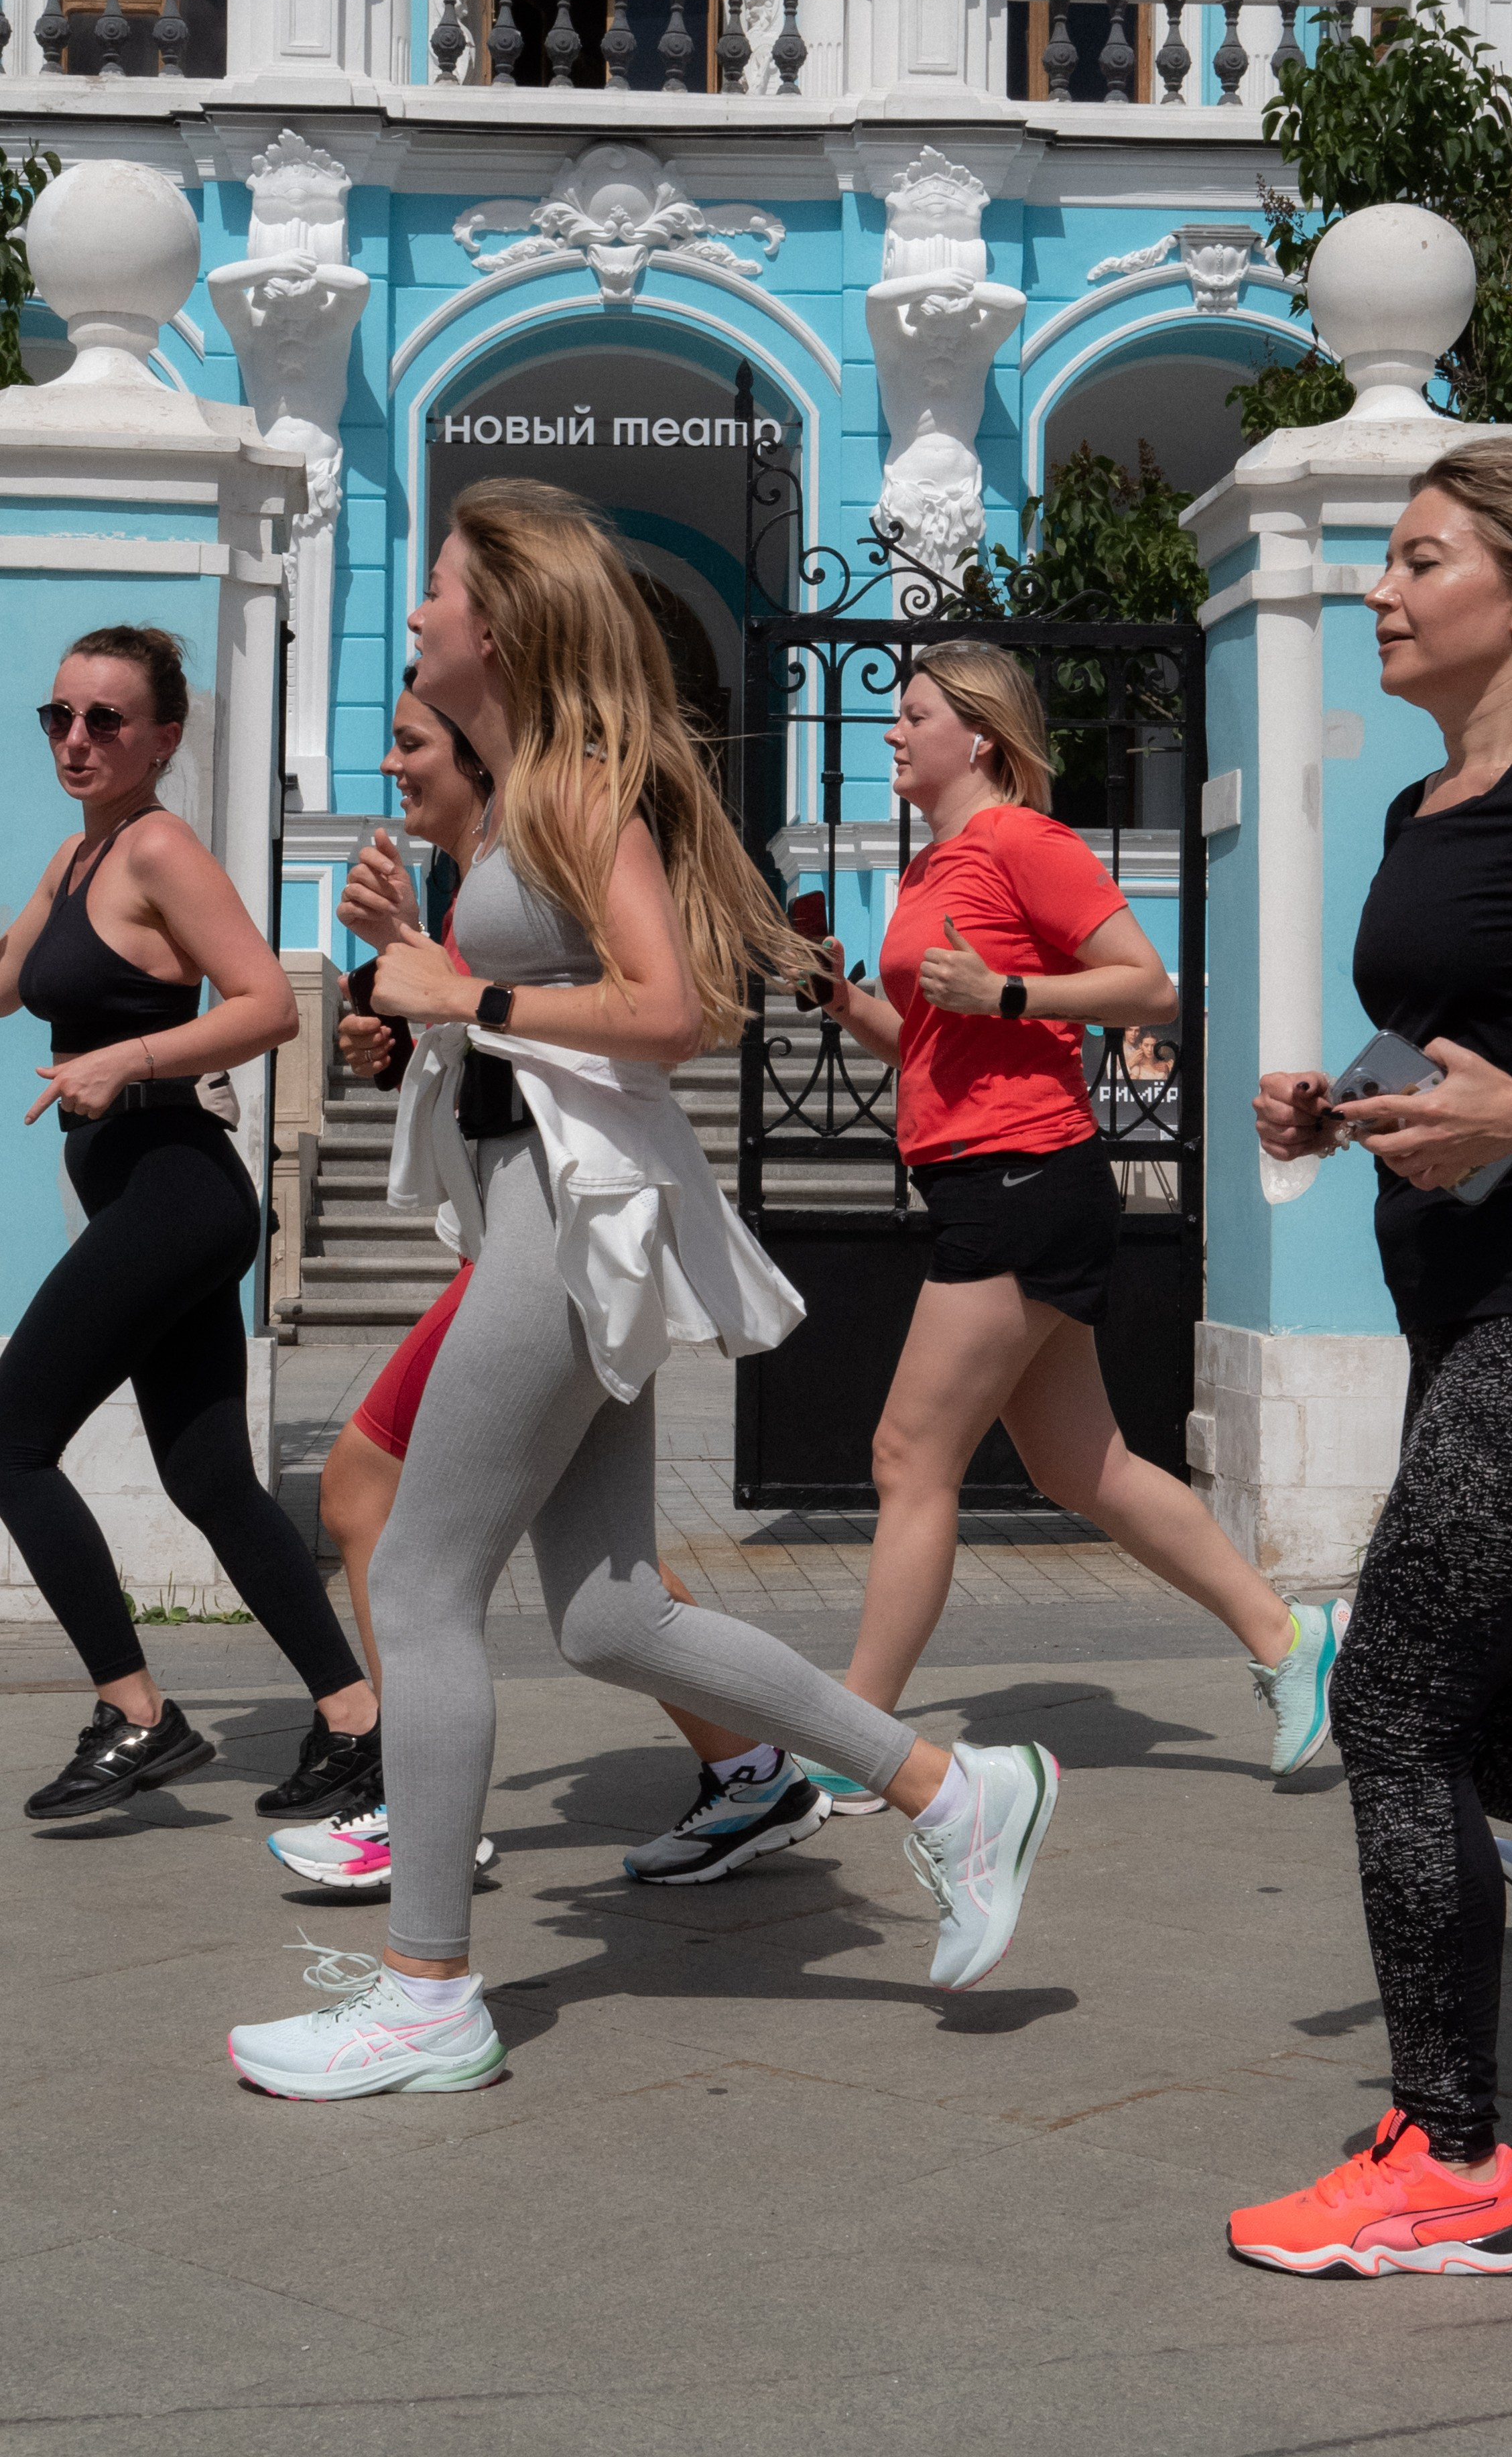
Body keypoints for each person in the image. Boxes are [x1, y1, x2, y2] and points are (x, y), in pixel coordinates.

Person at [226, 481, 1062, 2098]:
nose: (415, 616)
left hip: (574, 1220)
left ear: (505, 615)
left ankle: (426, 1991)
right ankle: (951, 1791)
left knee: (415, 1579)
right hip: (551, 1209)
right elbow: (538, 1013)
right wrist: (435, 977)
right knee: (610, 1615)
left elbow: (671, 1010)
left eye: (440, 588)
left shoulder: (580, 786)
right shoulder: (538, 784)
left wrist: (461, 981)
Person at [271, 674, 812, 1893]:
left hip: (558, 1227)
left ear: (478, 753)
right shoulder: (482, 892)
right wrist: (398, 1017)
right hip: (526, 1231)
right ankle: (815, 1774)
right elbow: (489, 1062)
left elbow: (644, 1019)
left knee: (378, 1504)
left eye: (410, 743)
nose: (393, 768)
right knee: (607, 1590)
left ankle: (427, 1815)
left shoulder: (540, 854)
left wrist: (436, 989)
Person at [793, 643, 1346, 1816]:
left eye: (915, 715)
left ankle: (853, 1736)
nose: (893, 734)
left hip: (1022, 1181)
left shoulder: (1022, 844)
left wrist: (1007, 993)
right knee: (1076, 1464)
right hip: (988, 1175)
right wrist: (848, 1002)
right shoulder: (937, 863)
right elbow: (937, 1044)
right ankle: (1289, 1637)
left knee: (908, 1457)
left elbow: (1147, 985)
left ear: (979, 736)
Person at [1231, 439, 1512, 2275]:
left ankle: (1452, 2155)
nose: (1376, 593)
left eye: (1417, 559)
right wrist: (1344, 1108)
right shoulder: (1428, 811)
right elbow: (1453, 1039)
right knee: (1484, 1728)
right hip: (1454, 1305)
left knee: (1398, 1698)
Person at [0, 624, 379, 1822]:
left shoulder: (158, 845)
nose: (75, 738)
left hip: (178, 1186)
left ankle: (138, 1714)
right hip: (146, 1193)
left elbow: (269, 1004)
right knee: (212, 1475)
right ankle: (355, 1725)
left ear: (163, 738)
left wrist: (130, 1056)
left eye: (105, 720)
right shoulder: (76, 860)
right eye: (58, 716)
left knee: (8, 1438)